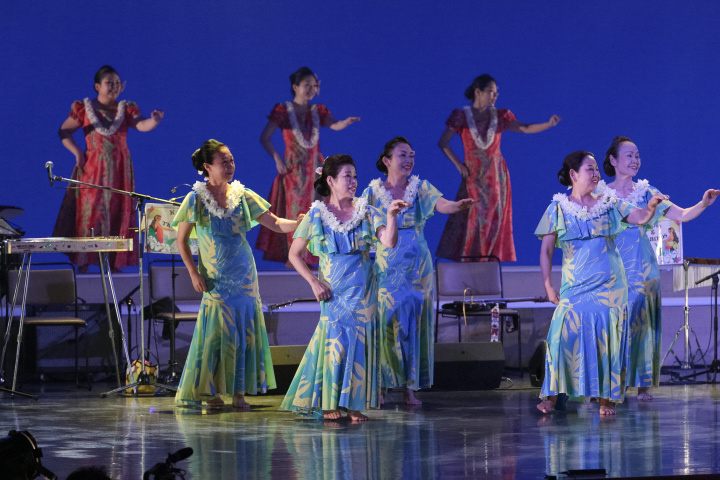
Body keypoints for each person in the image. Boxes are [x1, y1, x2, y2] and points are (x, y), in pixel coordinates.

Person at [173, 139, 302, 409]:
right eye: (224, 161)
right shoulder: (195, 199)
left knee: (242, 333)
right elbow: (181, 241)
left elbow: (275, 223)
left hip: (244, 277)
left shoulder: (243, 195)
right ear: (208, 166)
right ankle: (211, 392)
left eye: (232, 160)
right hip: (215, 278)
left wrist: (298, 223)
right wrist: (193, 273)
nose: (230, 165)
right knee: (217, 334)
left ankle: (239, 393)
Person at [536, 151, 667, 415]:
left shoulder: (609, 202)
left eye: (597, 169)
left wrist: (652, 206)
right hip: (575, 286)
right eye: (590, 169)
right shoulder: (557, 209)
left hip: (609, 286)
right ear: (573, 174)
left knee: (607, 340)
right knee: (560, 336)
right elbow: (547, 251)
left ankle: (606, 400)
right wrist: (548, 286)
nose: (596, 174)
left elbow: (640, 217)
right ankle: (551, 396)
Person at [280, 154, 407, 421]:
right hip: (333, 291)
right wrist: (314, 282)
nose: (353, 181)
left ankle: (354, 404)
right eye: (347, 176)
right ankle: (329, 402)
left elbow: (388, 241)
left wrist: (391, 216)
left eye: (355, 176)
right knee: (334, 342)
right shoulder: (317, 214)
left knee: (360, 342)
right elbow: (294, 254)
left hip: (363, 290)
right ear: (330, 180)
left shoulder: (366, 210)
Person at [598, 136, 719, 400]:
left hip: (641, 267)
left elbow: (682, 214)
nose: (635, 160)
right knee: (611, 324)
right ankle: (607, 385)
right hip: (611, 266)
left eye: (637, 156)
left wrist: (703, 203)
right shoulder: (601, 194)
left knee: (640, 324)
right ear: (613, 160)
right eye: (629, 155)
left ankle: (641, 384)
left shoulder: (647, 191)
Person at [361, 136, 475, 405]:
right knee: (386, 322)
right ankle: (381, 385)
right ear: (387, 160)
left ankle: (409, 388)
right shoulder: (372, 192)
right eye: (402, 154)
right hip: (388, 264)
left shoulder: (420, 187)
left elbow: (441, 203)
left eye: (411, 154)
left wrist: (457, 206)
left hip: (417, 266)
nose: (409, 159)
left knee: (413, 323)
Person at [436, 73, 561, 262]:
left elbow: (525, 128)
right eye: (491, 92)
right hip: (473, 176)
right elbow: (443, 142)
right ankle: (470, 262)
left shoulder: (499, 116)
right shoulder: (461, 117)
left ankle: (488, 262)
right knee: (472, 217)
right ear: (478, 92)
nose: (495, 96)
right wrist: (459, 164)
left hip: (496, 177)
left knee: (493, 220)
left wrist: (548, 124)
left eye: (496, 93)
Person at [52, 65, 164, 272]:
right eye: (109, 83)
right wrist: (77, 153)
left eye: (117, 83)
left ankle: (114, 264)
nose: (114, 87)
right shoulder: (84, 108)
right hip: (92, 168)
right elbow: (64, 131)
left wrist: (154, 121)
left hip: (119, 170)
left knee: (117, 212)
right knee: (89, 214)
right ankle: (83, 263)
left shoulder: (126, 108)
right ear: (97, 86)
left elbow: (141, 125)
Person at [256, 67, 360, 267]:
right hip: (293, 171)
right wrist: (277, 159)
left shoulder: (317, 111)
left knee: (319, 209)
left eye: (314, 85)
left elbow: (334, 125)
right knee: (295, 211)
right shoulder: (283, 111)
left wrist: (345, 122)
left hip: (315, 169)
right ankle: (295, 256)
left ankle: (313, 256)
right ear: (295, 87)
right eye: (307, 85)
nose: (311, 89)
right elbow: (265, 137)